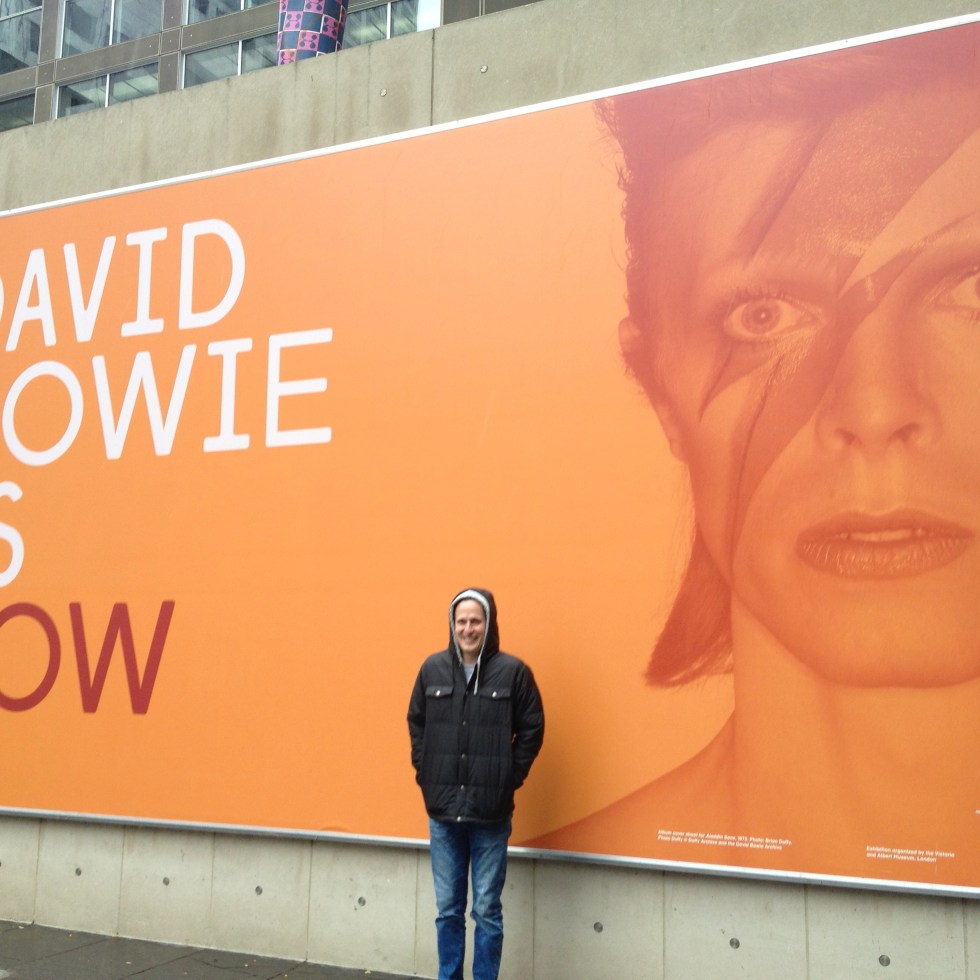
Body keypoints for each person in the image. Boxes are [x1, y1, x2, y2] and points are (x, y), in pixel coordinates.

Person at [530, 24, 980, 888]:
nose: (875, 409)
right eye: (763, 316)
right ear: (658, 388)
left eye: (970, 288)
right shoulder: (573, 882)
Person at [408, 588, 544, 980]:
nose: (468, 629)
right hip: (443, 815)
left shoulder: (513, 673)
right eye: (462, 621)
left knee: (486, 911)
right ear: (452, 625)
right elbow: (416, 722)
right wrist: (426, 772)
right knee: (449, 911)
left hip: (491, 816)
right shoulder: (432, 669)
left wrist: (507, 778)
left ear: (489, 624)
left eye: (476, 621)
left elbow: (532, 729)